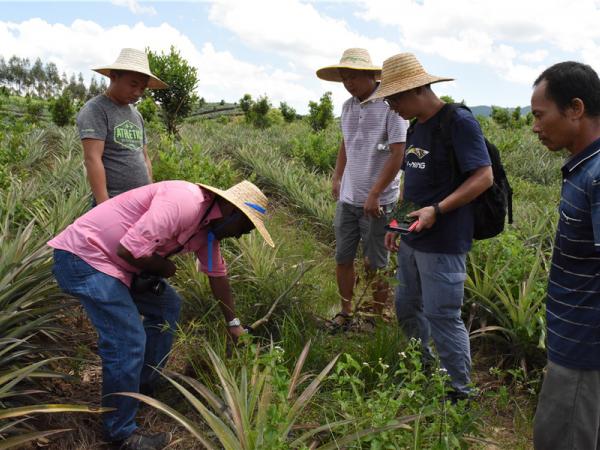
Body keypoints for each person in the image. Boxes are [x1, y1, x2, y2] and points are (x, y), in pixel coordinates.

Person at [48, 180, 274, 449]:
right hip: (85, 257)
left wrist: (233, 323)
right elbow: (128, 249)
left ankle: (140, 387)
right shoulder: (185, 203)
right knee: (127, 340)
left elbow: (217, 275)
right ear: (232, 211)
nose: (240, 236)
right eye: (245, 227)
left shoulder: (208, 230)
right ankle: (120, 433)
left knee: (168, 306)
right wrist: (164, 267)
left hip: (117, 265)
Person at [367, 53, 493, 398]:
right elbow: (414, 183)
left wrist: (437, 210)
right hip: (413, 239)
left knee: (443, 316)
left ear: (418, 89)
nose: (391, 106)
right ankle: (421, 369)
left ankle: (459, 391)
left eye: (394, 98)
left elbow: (484, 177)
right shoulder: (416, 128)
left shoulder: (459, 122)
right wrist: (397, 224)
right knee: (407, 308)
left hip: (444, 242)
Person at [530, 62, 600, 449]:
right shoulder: (584, 168)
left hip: (583, 354)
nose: (536, 127)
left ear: (575, 108)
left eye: (541, 115)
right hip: (574, 345)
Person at [316, 48, 408, 331]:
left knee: (375, 262)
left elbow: (398, 153)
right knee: (343, 257)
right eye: (344, 77)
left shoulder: (390, 106)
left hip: (379, 202)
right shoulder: (347, 106)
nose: (348, 83)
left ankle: (376, 316)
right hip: (349, 199)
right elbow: (346, 143)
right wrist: (337, 177)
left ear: (370, 75)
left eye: (353, 76)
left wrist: (375, 193)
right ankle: (346, 310)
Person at [77, 48, 168, 205]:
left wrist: (150, 191)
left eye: (142, 88)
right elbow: (92, 159)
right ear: (114, 77)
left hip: (140, 200)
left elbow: (144, 157)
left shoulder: (136, 115)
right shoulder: (96, 109)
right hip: (115, 203)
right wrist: (104, 205)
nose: (138, 92)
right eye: (133, 85)